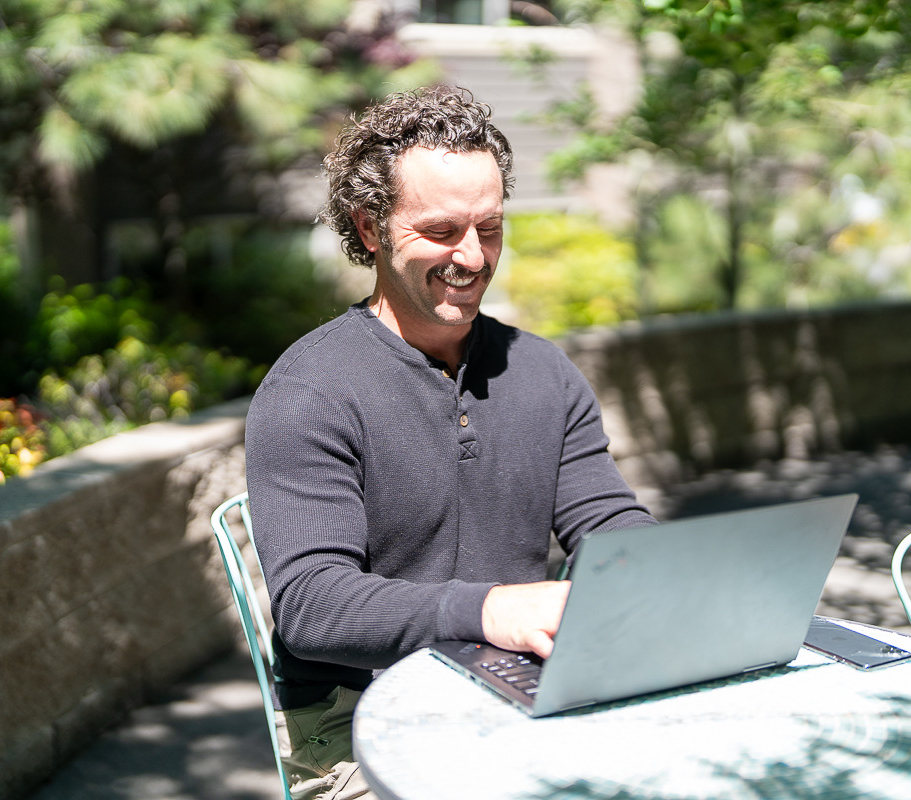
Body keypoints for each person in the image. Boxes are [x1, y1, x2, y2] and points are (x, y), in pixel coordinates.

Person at [245, 84, 655, 799]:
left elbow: (608, 521)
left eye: (490, 228)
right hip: (358, 717)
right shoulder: (308, 392)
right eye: (440, 231)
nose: (472, 257)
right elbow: (313, 605)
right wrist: (491, 609)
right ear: (370, 227)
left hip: (515, 683)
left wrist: (652, 572)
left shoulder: (541, 371)